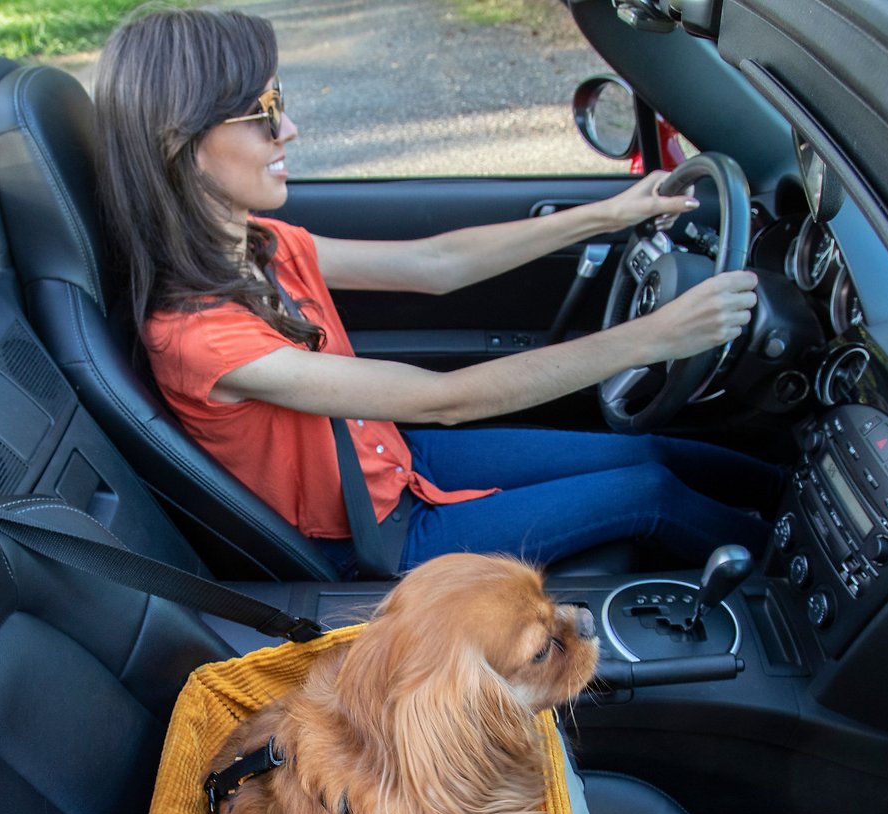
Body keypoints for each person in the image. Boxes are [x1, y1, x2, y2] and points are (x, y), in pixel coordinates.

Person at [94, 4, 781, 575]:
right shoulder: (198, 336)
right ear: (178, 143)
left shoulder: (259, 245)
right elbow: (446, 399)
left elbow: (436, 264)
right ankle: (790, 580)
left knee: (651, 452)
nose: (290, 129)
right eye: (263, 111)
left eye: (282, 103)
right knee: (650, 491)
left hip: (395, 462)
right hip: (380, 539)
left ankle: (795, 508)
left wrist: (610, 212)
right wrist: (658, 335)